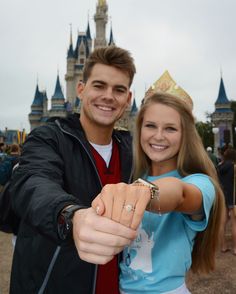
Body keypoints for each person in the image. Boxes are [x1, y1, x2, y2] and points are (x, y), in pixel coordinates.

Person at [9, 46, 137, 294]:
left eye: (119, 89)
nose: (108, 96)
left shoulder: (132, 149)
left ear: (128, 99)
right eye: (99, 86)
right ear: (81, 89)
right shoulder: (48, 138)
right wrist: (70, 217)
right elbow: (33, 183)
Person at [92, 92, 225, 293]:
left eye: (170, 128)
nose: (159, 135)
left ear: (185, 135)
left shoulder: (200, 183)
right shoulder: (133, 175)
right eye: (151, 126)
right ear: (140, 129)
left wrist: (140, 193)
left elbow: (178, 194)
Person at [217, 148, 236, 255]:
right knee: (234, 223)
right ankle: (235, 248)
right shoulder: (233, 166)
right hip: (233, 197)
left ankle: (223, 246)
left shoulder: (220, 166)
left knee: (222, 223)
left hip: (223, 195)